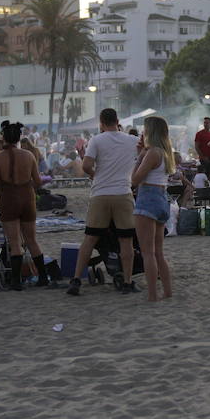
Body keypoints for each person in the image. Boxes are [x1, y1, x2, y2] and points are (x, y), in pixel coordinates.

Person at [68, 108, 139, 295]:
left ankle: (76, 280)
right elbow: (143, 156)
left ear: (101, 122)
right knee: (126, 240)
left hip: (100, 193)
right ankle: (127, 281)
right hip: (123, 193)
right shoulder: (132, 140)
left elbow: (86, 166)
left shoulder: (96, 140)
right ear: (118, 120)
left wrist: (95, 176)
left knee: (90, 238)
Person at [0, 121, 48, 290]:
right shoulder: (29, 156)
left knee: (15, 242)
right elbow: (38, 181)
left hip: (8, 199)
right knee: (32, 240)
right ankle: (43, 276)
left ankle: (16, 281)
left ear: (3, 137)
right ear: (18, 138)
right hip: (27, 198)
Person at [131, 115, 175, 302]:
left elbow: (134, 180)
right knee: (158, 252)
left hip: (148, 198)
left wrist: (139, 157)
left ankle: (152, 295)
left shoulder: (152, 153)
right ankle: (167, 291)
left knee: (147, 252)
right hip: (161, 198)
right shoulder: (165, 153)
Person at [194, 117, 210, 190]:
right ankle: (202, 191)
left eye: (207, 123)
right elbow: (196, 147)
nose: (205, 124)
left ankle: (209, 190)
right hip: (203, 158)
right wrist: (203, 157)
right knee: (203, 176)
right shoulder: (199, 134)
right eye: (204, 123)